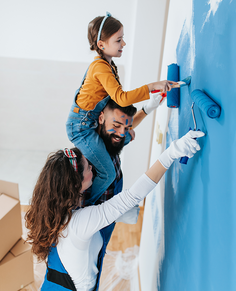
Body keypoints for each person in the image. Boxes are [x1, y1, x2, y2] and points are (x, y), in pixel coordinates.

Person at [25, 130, 205, 291]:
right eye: (88, 168)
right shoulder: (79, 223)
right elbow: (132, 196)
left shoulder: (50, 212)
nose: (92, 169)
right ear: (74, 184)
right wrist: (171, 153)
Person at [66, 11, 176, 205]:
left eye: (122, 39)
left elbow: (120, 105)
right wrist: (151, 87)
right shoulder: (100, 68)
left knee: (118, 147)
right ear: (101, 45)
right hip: (81, 128)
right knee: (107, 172)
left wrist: (148, 105)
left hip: (88, 123)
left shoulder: (109, 65)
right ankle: (85, 207)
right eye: (119, 40)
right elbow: (122, 98)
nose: (123, 44)